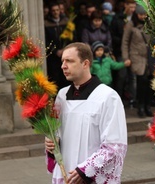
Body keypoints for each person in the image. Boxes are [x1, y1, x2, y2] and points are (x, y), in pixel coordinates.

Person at [44, 42, 127, 184]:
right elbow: (55, 134)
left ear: (85, 63)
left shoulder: (107, 97)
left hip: (89, 178)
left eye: (69, 61)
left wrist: (85, 170)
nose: (63, 66)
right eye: (62, 61)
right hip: (66, 176)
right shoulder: (61, 96)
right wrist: (51, 143)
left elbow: (114, 146)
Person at [122, 4, 154, 118]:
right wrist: (126, 57)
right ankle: (140, 106)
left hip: (149, 57)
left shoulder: (150, 24)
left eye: (145, 14)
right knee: (141, 81)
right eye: (141, 14)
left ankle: (148, 106)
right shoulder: (131, 25)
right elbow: (125, 42)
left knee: (150, 82)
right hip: (137, 57)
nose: (143, 16)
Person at [110, 0, 136, 101]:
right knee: (122, 76)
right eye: (131, 7)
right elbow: (112, 35)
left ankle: (133, 99)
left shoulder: (135, 19)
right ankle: (118, 98)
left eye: (134, 7)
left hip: (134, 51)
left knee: (133, 76)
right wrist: (124, 39)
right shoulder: (117, 18)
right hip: (121, 51)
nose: (133, 10)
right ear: (125, 5)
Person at [45, 2, 71, 90]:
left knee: (66, 77)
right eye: (53, 11)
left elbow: (72, 38)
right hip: (53, 56)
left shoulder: (66, 22)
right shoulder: (46, 24)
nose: (55, 12)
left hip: (66, 54)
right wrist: (56, 51)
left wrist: (65, 49)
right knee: (55, 79)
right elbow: (46, 41)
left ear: (60, 11)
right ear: (50, 12)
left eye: (57, 10)